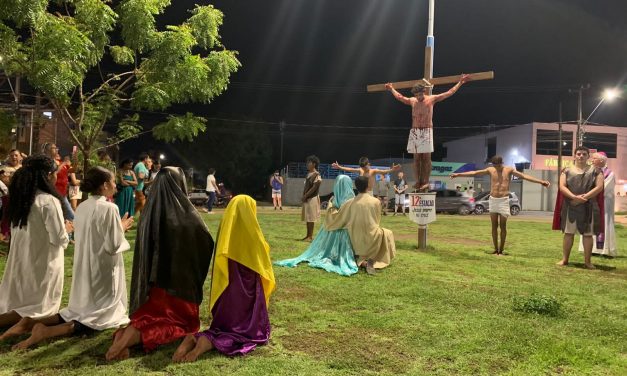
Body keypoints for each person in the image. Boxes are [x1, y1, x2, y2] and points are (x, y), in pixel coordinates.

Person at [12, 167, 134, 350]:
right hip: (102, 268)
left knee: (79, 308)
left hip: (84, 265)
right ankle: (47, 332)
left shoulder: (83, 206)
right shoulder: (110, 208)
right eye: (113, 181)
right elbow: (113, 245)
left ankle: (30, 321)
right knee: (100, 316)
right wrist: (121, 228)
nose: (115, 185)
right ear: (104, 185)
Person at [106, 167, 214, 361]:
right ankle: (129, 339)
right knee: (181, 325)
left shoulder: (148, 213)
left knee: (150, 315)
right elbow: (205, 242)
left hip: (153, 289)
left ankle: (124, 337)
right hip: (179, 291)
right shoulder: (187, 216)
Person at [172, 195, 275, 362]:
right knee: (244, 333)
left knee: (222, 327)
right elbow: (262, 261)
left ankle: (194, 339)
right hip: (245, 295)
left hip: (226, 291)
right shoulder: (252, 234)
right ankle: (200, 348)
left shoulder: (226, 231)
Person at [0, 155, 72, 340]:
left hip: (21, 259)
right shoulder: (48, 201)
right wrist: (68, 230)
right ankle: (23, 323)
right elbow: (58, 238)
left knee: (21, 301)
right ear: (48, 176)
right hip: (43, 261)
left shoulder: (21, 199)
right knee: (38, 306)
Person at [385, 75, 471, 191]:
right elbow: (400, 97)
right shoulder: (413, 101)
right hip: (415, 131)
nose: (418, 97)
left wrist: (460, 82)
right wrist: (391, 89)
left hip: (426, 131)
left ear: (424, 92)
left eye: (420, 94)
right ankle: (418, 181)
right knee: (416, 159)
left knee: (426, 158)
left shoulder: (431, 99)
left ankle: (425, 181)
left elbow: (449, 93)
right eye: (416, 95)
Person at [451, 155, 550, 255]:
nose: (497, 168)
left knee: (503, 226)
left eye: (498, 166)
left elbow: (524, 176)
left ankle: (501, 250)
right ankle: (495, 250)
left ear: (502, 163)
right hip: (493, 200)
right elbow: (475, 173)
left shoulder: (509, 170)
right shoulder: (490, 169)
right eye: (495, 166)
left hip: (504, 201)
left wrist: (541, 182)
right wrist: (458, 174)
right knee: (494, 226)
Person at [275, 175, 359, 276]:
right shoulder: (354, 200)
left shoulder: (334, 200)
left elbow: (332, 216)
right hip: (350, 234)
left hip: (332, 233)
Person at [325, 176, 396, 275]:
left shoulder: (349, 203)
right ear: (368, 186)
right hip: (372, 236)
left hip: (354, 238)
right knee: (388, 233)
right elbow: (377, 220)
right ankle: (368, 260)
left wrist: (330, 205)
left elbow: (337, 217)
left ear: (356, 187)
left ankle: (362, 261)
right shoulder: (376, 201)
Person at [553, 146, 604, 269]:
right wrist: (574, 198)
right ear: (574, 156)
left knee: (587, 234)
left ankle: (587, 262)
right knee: (568, 233)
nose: (581, 156)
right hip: (570, 206)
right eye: (579, 154)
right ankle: (565, 259)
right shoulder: (566, 170)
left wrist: (584, 197)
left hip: (589, 207)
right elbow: (562, 186)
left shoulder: (596, 171)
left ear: (588, 156)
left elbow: (599, 187)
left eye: (584, 154)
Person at [585, 152, 617, 256]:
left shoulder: (609, 173)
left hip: (604, 204)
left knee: (604, 223)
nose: (592, 160)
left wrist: (589, 193)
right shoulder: (590, 171)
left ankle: (603, 249)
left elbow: (604, 188)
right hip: (591, 202)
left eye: (594, 158)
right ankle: (591, 249)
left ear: (602, 160)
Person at [332, 157, 400, 194]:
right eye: (362, 168)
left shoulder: (373, 171)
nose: (364, 169)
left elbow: (384, 171)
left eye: (365, 167)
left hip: (369, 192)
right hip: (361, 193)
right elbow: (350, 169)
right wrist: (339, 167)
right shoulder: (360, 170)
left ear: (368, 164)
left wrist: (392, 169)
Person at [301, 155, 322, 241]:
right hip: (307, 198)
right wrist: (304, 196)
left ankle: (310, 236)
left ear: (314, 164)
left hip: (312, 198)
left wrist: (305, 196)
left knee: (311, 217)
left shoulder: (316, 174)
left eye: (309, 162)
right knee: (308, 217)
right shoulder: (309, 174)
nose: (307, 164)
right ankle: (307, 235)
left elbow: (314, 188)